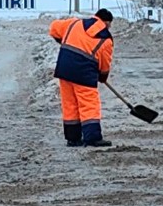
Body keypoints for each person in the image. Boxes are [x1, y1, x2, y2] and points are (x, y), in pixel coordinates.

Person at [48, 8, 114, 148]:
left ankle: (73, 138)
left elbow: (54, 28)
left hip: (64, 67)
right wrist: (102, 76)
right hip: (84, 73)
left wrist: (64, 40)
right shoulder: (106, 38)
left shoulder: (74, 23)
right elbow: (105, 63)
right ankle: (92, 137)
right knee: (89, 104)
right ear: (107, 22)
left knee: (70, 104)